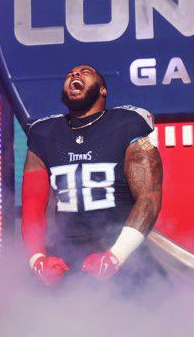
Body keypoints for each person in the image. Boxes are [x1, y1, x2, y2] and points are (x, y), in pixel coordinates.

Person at [20, 64, 163, 286]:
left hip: (119, 251)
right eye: (69, 73)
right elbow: (32, 206)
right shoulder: (44, 133)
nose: (74, 74)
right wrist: (37, 259)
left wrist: (116, 256)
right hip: (66, 256)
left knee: (151, 307)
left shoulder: (127, 123)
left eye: (85, 72)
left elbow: (149, 198)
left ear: (103, 90)